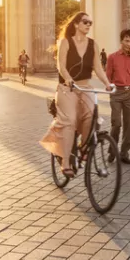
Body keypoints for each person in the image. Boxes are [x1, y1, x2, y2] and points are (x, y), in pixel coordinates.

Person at [40, 12, 111, 178]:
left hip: (85, 87)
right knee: (70, 120)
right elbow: (61, 66)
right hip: (67, 88)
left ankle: (84, 148)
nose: (88, 25)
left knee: (91, 115)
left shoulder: (93, 44)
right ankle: (65, 163)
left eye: (90, 23)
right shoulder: (65, 42)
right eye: (85, 22)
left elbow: (98, 68)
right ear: (76, 24)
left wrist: (107, 83)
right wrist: (69, 79)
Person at [106, 30, 130, 165]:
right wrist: (109, 87)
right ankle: (112, 150)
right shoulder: (112, 57)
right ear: (121, 41)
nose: (129, 44)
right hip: (117, 93)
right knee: (116, 123)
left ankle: (124, 153)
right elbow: (108, 76)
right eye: (126, 41)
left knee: (129, 124)